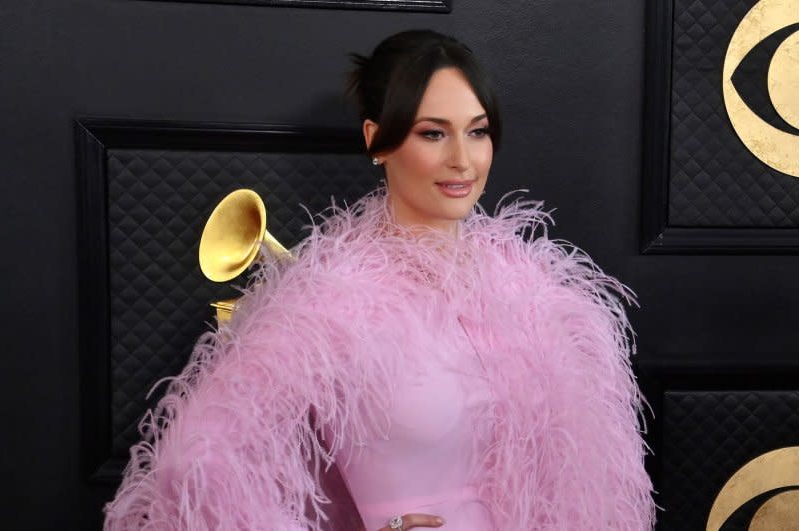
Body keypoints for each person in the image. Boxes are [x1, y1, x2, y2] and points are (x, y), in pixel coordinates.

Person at [104, 29, 656, 530]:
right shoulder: (328, 296)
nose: (463, 159)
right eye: (433, 133)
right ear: (377, 139)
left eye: (478, 132)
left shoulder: (534, 285)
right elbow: (195, 464)